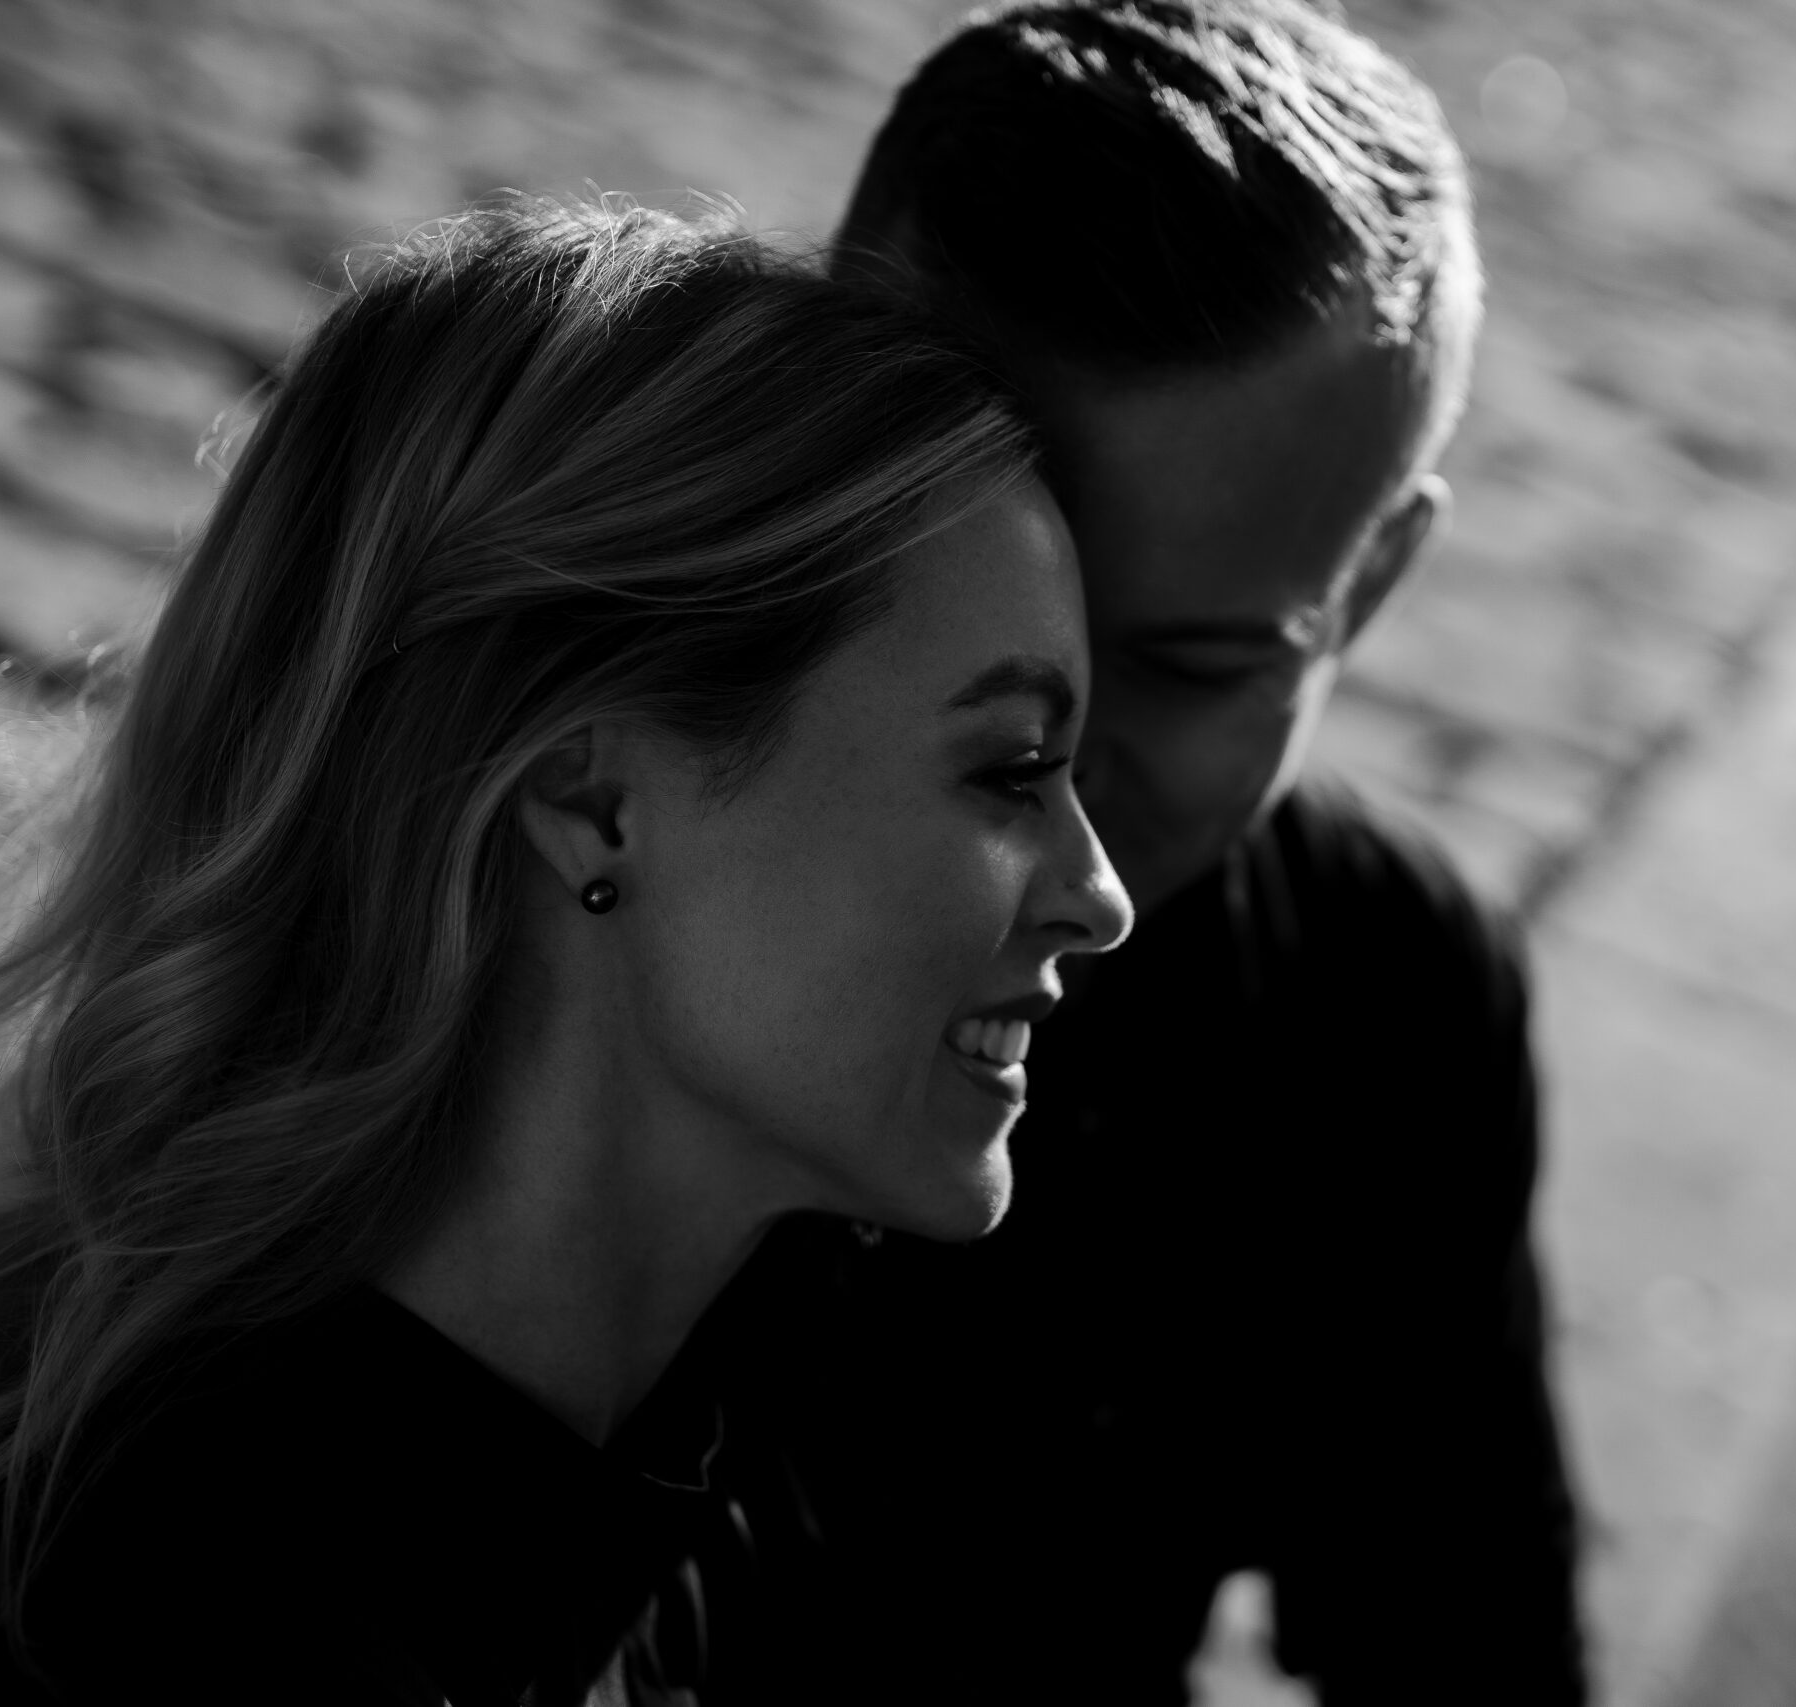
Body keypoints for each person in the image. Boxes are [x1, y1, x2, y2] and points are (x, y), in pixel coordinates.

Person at [0, 196, 1130, 1705]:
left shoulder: (693, 1455)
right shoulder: (149, 1632)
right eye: (1012, 769)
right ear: (591, 795)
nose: (1101, 893)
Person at [704, 4, 1587, 1701]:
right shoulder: (541, 860)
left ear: (1373, 590)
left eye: (1184, 666)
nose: (1052, 784)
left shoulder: (1381, 1007)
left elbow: (1468, 1647)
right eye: (951, 608)